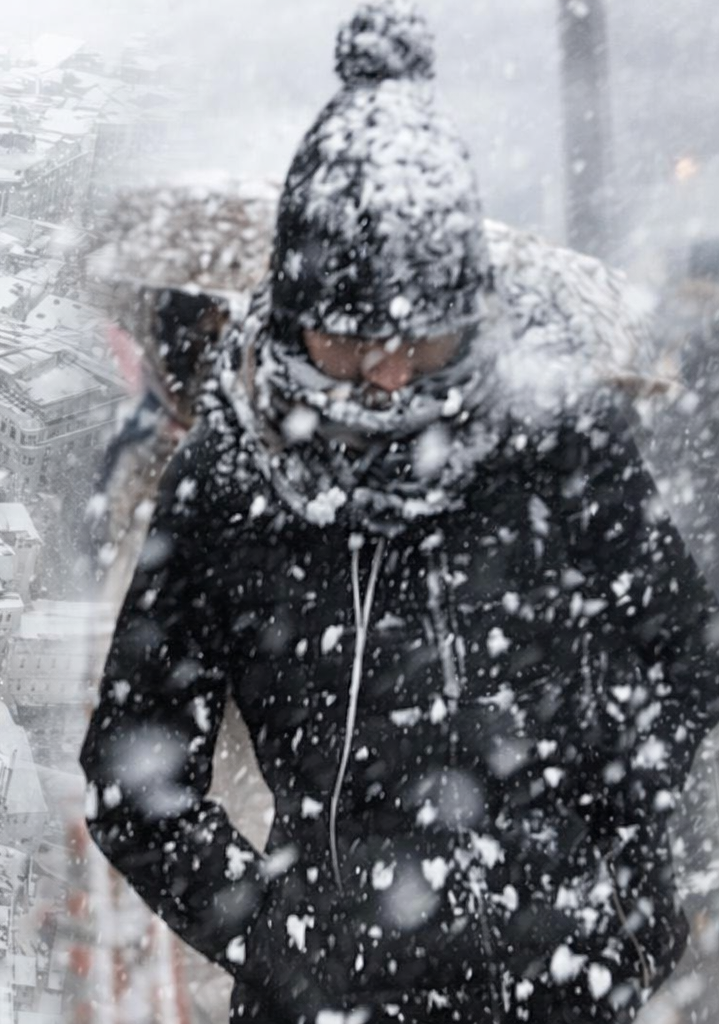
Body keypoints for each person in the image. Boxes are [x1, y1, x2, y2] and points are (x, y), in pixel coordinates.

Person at [79, 3, 719, 1023]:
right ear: (293, 313)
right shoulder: (231, 480)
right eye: (346, 340)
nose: (384, 376)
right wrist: (277, 939)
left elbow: (682, 653)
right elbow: (134, 774)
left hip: (567, 989)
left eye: (421, 343)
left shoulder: (560, 436)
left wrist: (615, 854)